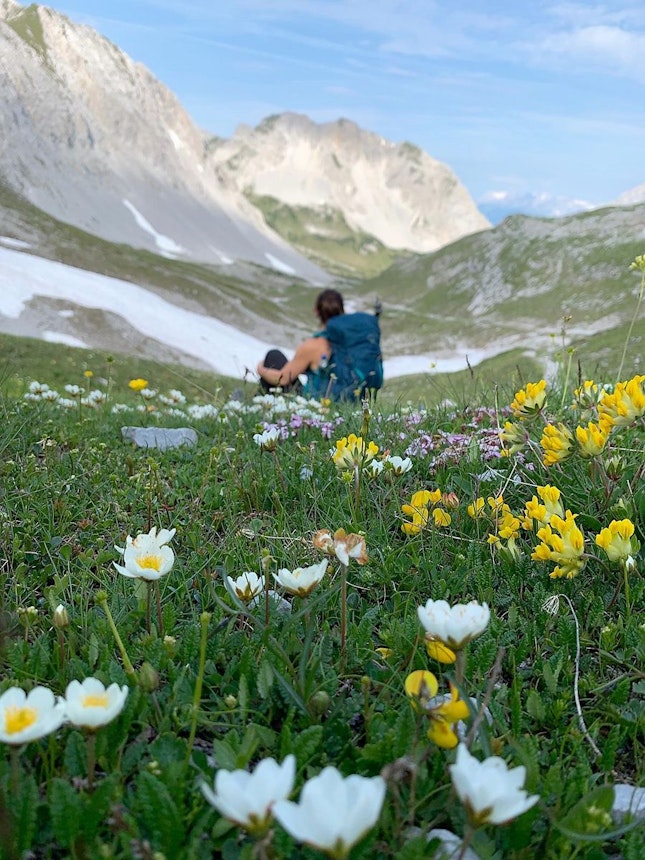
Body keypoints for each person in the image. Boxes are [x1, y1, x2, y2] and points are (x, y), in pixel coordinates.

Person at [256, 289, 345, 393]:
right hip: (348, 400)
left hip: (316, 402)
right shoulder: (353, 341)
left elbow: (282, 379)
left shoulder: (313, 345)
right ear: (343, 312)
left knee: (273, 356)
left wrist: (260, 369)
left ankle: (255, 403)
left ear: (316, 311)